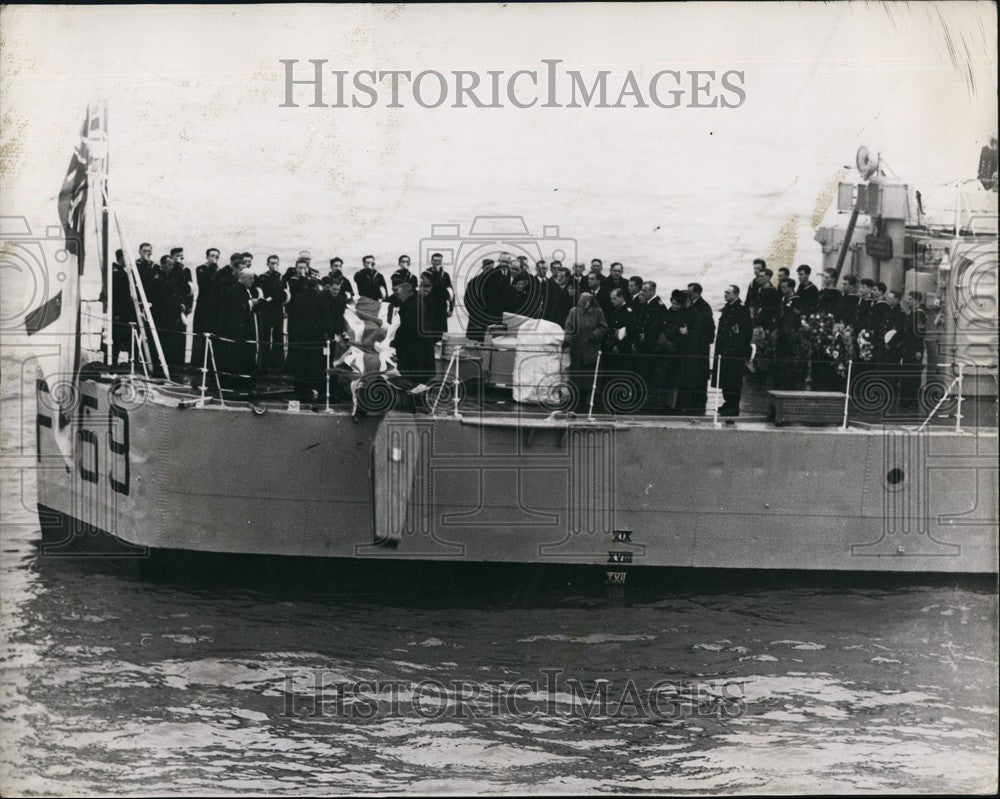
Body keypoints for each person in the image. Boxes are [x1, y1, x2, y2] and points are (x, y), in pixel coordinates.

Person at [216, 267, 263, 394]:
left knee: (246, 355)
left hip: (246, 328)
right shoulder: (235, 290)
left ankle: (246, 380)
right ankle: (240, 382)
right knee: (240, 356)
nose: (253, 281)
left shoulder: (245, 290)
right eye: (250, 278)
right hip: (240, 330)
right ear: (243, 278)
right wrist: (250, 303)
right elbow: (235, 309)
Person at [286, 276, 332, 402]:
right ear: (317, 286)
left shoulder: (298, 298)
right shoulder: (321, 298)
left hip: (301, 336)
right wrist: (329, 333)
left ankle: (299, 388)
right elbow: (325, 318)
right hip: (316, 337)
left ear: (306, 285)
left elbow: (294, 317)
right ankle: (311, 387)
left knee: (301, 362)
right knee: (313, 363)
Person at [563, 293, 607, 411]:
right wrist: (567, 340)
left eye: (585, 303)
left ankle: (589, 404)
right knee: (576, 377)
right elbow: (568, 327)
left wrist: (595, 334)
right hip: (577, 349)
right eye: (581, 302)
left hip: (591, 348)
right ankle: (575, 404)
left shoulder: (598, 312)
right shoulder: (573, 312)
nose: (582, 305)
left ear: (590, 302)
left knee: (590, 378)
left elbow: (603, 327)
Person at [714, 285, 753, 417]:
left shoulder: (741, 309)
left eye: (728, 293)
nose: (725, 295)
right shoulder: (728, 307)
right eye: (725, 292)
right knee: (725, 377)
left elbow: (746, 331)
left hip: (735, 350)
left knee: (734, 379)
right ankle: (728, 402)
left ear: (736, 294)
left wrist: (737, 346)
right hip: (725, 348)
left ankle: (733, 405)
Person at [149, 254, 186, 374]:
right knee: (162, 343)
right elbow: (162, 298)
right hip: (162, 317)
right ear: (163, 264)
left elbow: (177, 292)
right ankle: (159, 368)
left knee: (171, 344)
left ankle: (170, 367)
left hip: (172, 317)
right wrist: (176, 306)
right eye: (169, 265)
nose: (171, 267)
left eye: (172, 265)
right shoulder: (157, 278)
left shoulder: (171, 277)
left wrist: (181, 303)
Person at [683, 282, 715, 413]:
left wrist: (690, 333)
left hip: (700, 346)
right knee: (692, 373)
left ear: (697, 292)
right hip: (693, 345)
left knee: (699, 375)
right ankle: (692, 401)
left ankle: (699, 402)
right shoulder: (691, 304)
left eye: (690, 293)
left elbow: (708, 329)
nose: (688, 295)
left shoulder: (704, 307)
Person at [661, 289, 691, 412]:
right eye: (673, 303)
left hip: (679, 349)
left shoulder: (686, 314)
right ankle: (668, 402)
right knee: (668, 376)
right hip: (669, 347)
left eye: (676, 304)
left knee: (676, 378)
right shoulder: (670, 312)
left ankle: (673, 404)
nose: (674, 306)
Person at [256, 255, 287, 373]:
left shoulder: (281, 277)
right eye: (272, 263)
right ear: (267, 264)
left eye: (276, 263)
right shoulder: (263, 277)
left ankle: (278, 364)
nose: (274, 265)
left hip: (277, 308)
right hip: (267, 309)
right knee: (265, 335)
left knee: (278, 335)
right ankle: (263, 364)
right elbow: (262, 292)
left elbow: (283, 293)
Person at [898, 291, 927, 411]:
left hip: (914, 349)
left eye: (910, 299)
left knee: (913, 376)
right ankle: (905, 400)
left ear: (916, 300)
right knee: (906, 375)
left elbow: (919, 334)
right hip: (908, 348)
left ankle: (912, 401)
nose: (908, 301)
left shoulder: (919, 315)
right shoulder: (911, 314)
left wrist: (918, 350)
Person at [773, 278, 804, 389]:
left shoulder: (796, 300)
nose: (782, 289)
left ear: (791, 288)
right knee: (780, 356)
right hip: (781, 331)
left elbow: (798, 314)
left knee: (790, 356)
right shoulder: (783, 299)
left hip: (791, 331)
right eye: (781, 287)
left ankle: (790, 382)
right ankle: (780, 380)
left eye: (784, 287)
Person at [191, 248, 220, 367]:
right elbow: (203, 282)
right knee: (200, 332)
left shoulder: (219, 271)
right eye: (212, 256)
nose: (214, 258)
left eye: (216, 256)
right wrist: (212, 267)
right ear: (207, 256)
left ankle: (209, 361)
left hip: (214, 305)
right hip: (203, 304)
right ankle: (197, 361)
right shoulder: (200, 269)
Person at [109, 249, 137, 365]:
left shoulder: (122, 271)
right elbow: (117, 294)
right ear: (121, 258)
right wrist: (118, 313)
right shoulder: (116, 272)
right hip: (120, 312)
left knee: (125, 338)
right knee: (118, 338)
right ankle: (115, 362)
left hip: (125, 311)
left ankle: (125, 361)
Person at [422, 252, 454, 343]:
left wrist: (451, 309)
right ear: (431, 261)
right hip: (428, 305)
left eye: (439, 261)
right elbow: (422, 291)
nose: (437, 262)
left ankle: (438, 345)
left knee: (440, 331)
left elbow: (450, 292)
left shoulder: (445, 275)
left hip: (441, 305)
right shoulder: (426, 274)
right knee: (428, 330)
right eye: (435, 260)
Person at [170, 247, 194, 315]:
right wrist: (177, 265)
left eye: (181, 256)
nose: (180, 258)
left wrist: (190, 305)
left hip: (184, 300)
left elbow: (191, 288)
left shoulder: (186, 270)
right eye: (177, 256)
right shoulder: (169, 269)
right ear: (172, 257)